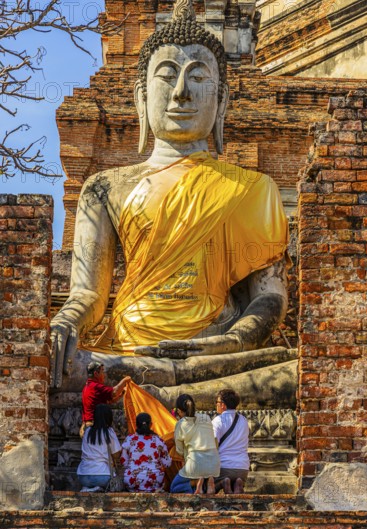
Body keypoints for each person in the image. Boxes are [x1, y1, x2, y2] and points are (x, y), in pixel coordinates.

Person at [50, 0, 292, 411]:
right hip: (128, 349)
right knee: (58, 367)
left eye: (198, 77)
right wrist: (64, 323)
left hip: (220, 358)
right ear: (141, 97)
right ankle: (160, 387)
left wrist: (230, 341)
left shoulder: (253, 188)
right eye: (167, 76)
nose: (181, 92)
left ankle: (157, 390)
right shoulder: (104, 187)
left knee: (289, 373)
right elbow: (89, 293)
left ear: (223, 101)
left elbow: (268, 297)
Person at [170, 394, 220, 494]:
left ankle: (195, 482)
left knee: (174, 487)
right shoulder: (206, 418)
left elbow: (179, 450)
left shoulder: (181, 423)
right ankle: (205, 485)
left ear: (179, 411)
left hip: (194, 464)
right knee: (200, 476)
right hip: (214, 465)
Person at [120, 412, 172, 492]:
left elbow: (124, 463)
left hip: (132, 482)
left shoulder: (129, 439)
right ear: (151, 424)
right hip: (155, 482)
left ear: (136, 425)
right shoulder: (158, 441)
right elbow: (167, 464)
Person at [212, 389, 249, 494]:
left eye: (217, 403)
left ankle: (223, 482)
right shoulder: (244, 421)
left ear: (223, 405)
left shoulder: (218, 421)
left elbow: (213, 445)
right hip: (242, 468)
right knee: (238, 479)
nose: (216, 405)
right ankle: (238, 483)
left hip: (224, 468)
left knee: (209, 487)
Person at [77, 404, 121, 492]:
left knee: (89, 482)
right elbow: (116, 454)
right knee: (114, 480)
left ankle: (89, 488)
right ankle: (97, 488)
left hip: (82, 476)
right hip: (102, 475)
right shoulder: (109, 432)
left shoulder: (87, 431)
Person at [80, 361, 131, 436]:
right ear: (96, 374)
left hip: (89, 425)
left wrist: (122, 394)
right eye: (102, 372)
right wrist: (125, 380)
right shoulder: (95, 386)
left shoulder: (88, 386)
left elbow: (110, 401)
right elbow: (114, 392)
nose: (104, 375)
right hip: (94, 426)